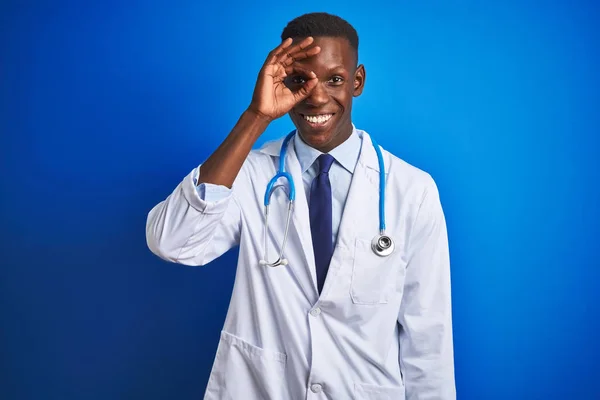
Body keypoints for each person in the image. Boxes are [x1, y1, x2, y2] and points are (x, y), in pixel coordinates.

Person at [146, 12, 455, 400]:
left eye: (335, 79)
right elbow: (171, 243)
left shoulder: (412, 190)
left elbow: (428, 339)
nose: (317, 96)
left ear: (357, 81)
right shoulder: (248, 174)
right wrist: (256, 117)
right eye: (299, 80)